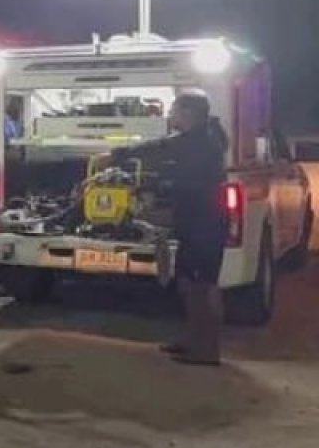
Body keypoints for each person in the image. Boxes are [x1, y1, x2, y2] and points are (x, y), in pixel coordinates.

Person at [95, 90, 229, 366]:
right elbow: (162, 149)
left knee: (203, 287)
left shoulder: (201, 142)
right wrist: (121, 158)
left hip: (205, 224)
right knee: (188, 284)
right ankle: (193, 340)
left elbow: (168, 158)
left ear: (188, 113)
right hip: (194, 222)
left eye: (174, 110)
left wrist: (152, 183)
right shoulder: (198, 137)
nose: (170, 115)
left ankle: (207, 351)